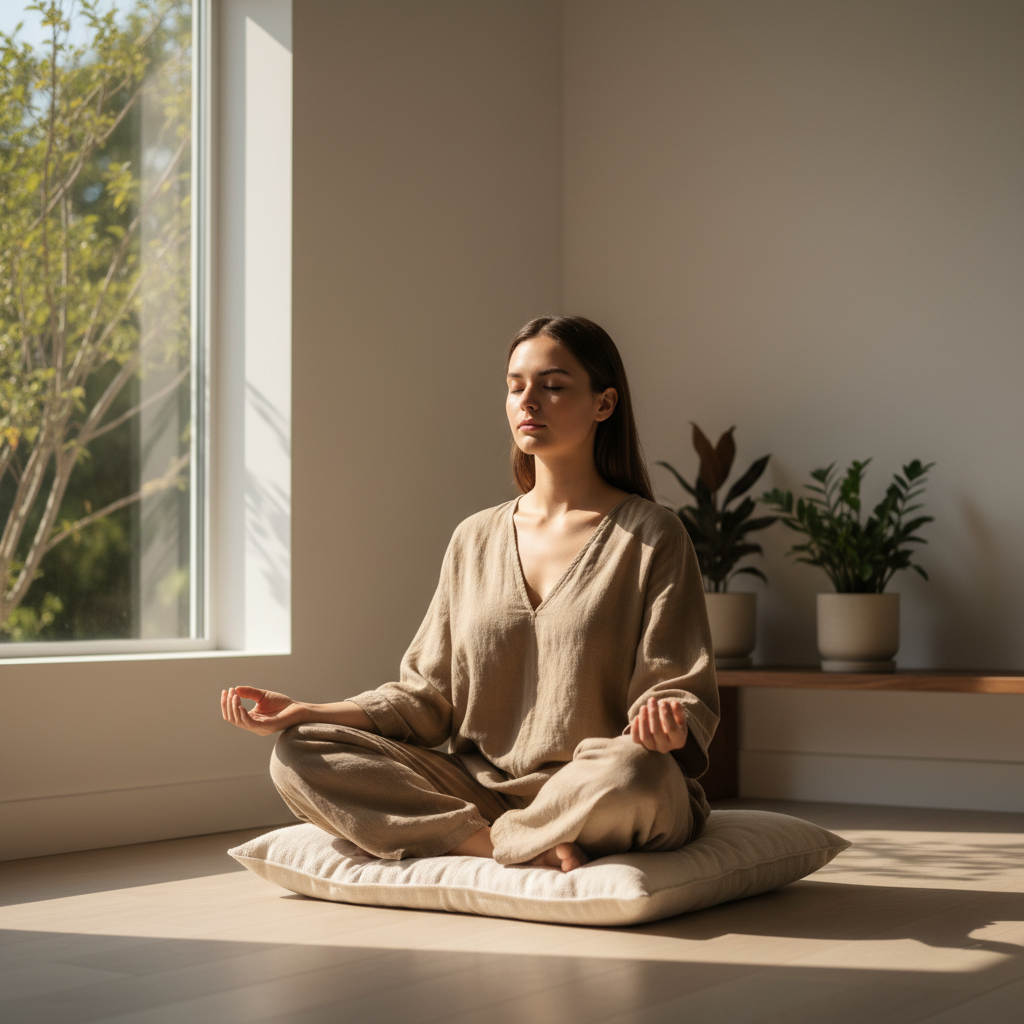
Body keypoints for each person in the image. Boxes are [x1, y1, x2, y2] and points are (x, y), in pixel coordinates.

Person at [221, 315, 719, 872]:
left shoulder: (653, 535)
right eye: (515, 386)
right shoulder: (474, 538)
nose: (528, 401)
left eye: (553, 386)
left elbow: (677, 688)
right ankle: (505, 845)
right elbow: (427, 697)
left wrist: (665, 722)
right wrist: (308, 710)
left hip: (593, 784)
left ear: (604, 404)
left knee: (637, 773)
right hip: (480, 791)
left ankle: (500, 840)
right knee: (298, 751)